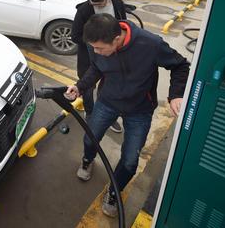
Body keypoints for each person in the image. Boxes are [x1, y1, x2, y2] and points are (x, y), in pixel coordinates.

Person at [65, 14, 189, 217]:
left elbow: (180, 65)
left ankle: (114, 190)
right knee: (90, 138)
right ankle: (88, 160)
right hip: (107, 102)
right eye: (93, 48)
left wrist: (176, 94)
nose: (96, 52)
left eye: (100, 48)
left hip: (139, 109)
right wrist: (79, 86)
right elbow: (96, 68)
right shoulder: (97, 44)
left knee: (131, 160)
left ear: (116, 39)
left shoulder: (150, 44)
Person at [71, 0, 127, 133]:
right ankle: (90, 113)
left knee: (109, 87)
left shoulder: (117, 4)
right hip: (89, 59)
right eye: (93, 3)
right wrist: (94, 43)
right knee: (87, 87)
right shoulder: (83, 10)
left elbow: (124, 26)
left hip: (113, 56)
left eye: (100, 4)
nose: (96, 6)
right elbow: (75, 35)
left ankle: (110, 117)